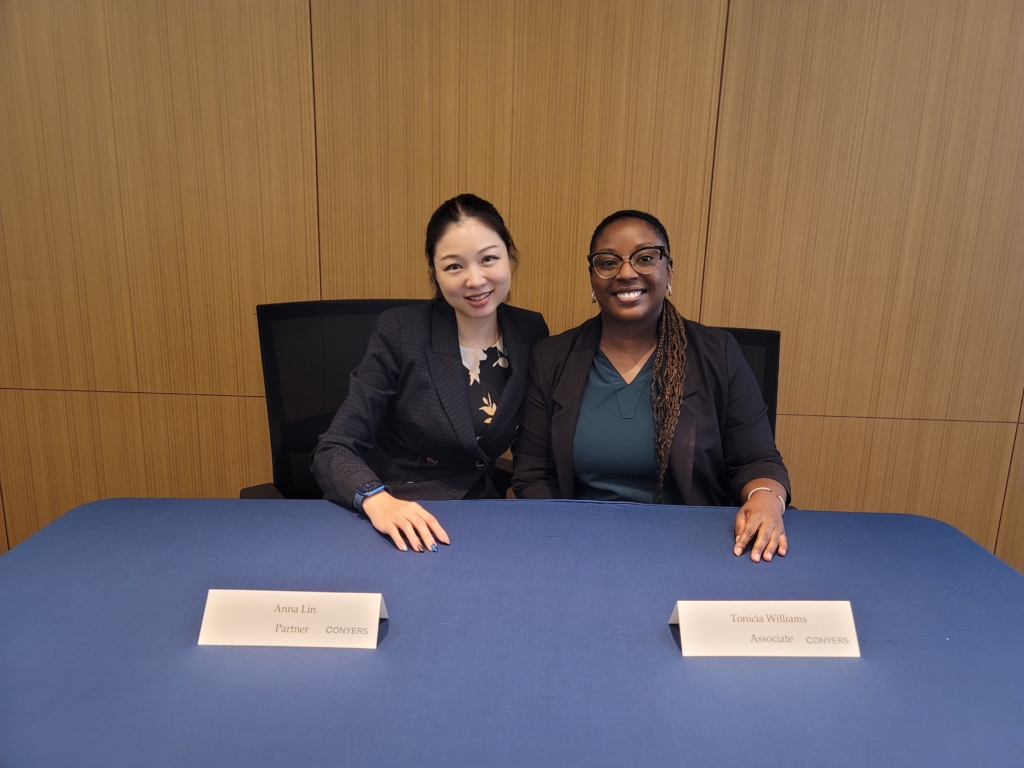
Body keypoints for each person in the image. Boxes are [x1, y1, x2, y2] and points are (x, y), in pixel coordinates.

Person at [512, 210, 791, 563]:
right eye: (608, 262)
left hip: (694, 546)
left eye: (645, 258)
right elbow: (533, 474)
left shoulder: (717, 354)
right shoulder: (551, 358)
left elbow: (757, 460)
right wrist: (562, 540)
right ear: (593, 278)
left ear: (668, 269)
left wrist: (766, 498)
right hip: (579, 544)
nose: (626, 273)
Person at [312, 194, 548, 553]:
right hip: (400, 511)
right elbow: (333, 449)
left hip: (481, 512)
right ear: (434, 273)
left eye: (488, 259)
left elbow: (532, 446)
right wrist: (378, 500)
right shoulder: (401, 331)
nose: (475, 279)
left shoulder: (530, 331)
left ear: (509, 257)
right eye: (454, 266)